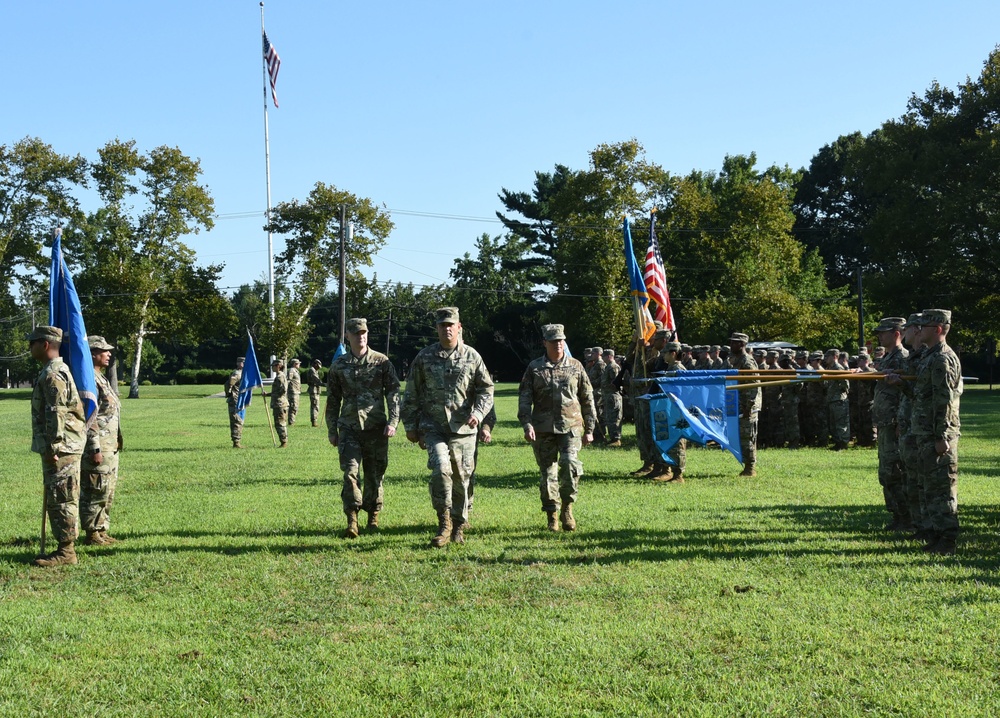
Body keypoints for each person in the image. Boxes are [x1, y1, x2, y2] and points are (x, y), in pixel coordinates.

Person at [401, 307, 494, 547]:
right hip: (433, 427)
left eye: (451, 324)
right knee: (441, 471)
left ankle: (459, 525)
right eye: (443, 325)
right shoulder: (424, 357)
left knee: (462, 477)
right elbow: (411, 392)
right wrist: (411, 425)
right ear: (437, 329)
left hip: (464, 428)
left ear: (459, 327)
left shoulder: (472, 356)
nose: (447, 329)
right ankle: (444, 523)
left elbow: (486, 388)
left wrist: (478, 412)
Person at [326, 318, 401, 538]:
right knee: (350, 473)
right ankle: (352, 519)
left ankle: (373, 517)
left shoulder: (382, 362)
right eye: (356, 333)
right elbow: (332, 401)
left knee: (375, 474)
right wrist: (332, 430)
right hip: (349, 428)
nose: (361, 336)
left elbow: (394, 393)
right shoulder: (339, 365)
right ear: (347, 336)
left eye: (364, 333)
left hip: (376, 427)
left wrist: (393, 421)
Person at [518, 324, 596, 531]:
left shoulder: (576, 366)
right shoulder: (534, 368)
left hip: (571, 427)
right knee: (547, 474)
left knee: (571, 465)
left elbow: (587, 398)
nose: (558, 344)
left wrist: (590, 429)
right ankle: (552, 513)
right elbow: (525, 399)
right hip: (543, 428)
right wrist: (527, 425)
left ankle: (567, 509)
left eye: (561, 340)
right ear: (545, 343)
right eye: (554, 341)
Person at [28, 326, 86, 567]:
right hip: (62, 446)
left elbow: (57, 413)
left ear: (44, 345)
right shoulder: (51, 371)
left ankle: (66, 552)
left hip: (62, 448)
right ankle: (64, 547)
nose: (29, 348)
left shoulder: (54, 374)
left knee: (62, 497)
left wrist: (53, 447)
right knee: (58, 496)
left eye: (32, 343)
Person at [910, 309, 962, 555]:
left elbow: (945, 401)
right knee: (931, 486)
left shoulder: (942, 358)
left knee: (942, 488)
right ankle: (937, 535)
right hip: (926, 432)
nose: (920, 330)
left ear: (938, 329)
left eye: (925, 326)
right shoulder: (930, 356)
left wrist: (942, 436)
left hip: (938, 435)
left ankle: (947, 540)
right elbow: (924, 396)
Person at [80, 336, 123, 546]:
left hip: (110, 446)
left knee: (107, 489)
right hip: (98, 447)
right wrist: (94, 447)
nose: (108, 354)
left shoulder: (101, 378)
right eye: (104, 351)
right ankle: (92, 532)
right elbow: (90, 418)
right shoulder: (89, 381)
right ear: (93, 353)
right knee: (95, 489)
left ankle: (102, 529)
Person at [872, 317, 910, 531]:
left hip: (895, 423)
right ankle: (897, 515)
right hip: (885, 423)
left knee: (895, 471)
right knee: (886, 473)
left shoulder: (902, 358)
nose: (879, 335)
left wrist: (900, 422)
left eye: (883, 332)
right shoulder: (887, 358)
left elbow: (907, 393)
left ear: (897, 333)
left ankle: (906, 518)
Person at [648, 341, 687, 482]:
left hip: (676, 412)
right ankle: (668, 469)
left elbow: (682, 392)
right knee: (669, 441)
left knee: (678, 443)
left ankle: (678, 474)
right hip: (668, 410)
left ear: (673, 353)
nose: (663, 355)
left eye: (665, 352)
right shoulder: (670, 368)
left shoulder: (679, 369)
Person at [728, 332, 760, 476]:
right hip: (738, 405)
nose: (731, 345)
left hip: (748, 406)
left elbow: (753, 386)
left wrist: (749, 407)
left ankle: (750, 468)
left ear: (742, 344)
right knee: (741, 436)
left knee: (748, 437)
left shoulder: (747, 362)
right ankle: (747, 465)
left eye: (734, 342)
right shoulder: (735, 360)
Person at [824, 348, 850, 451]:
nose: (826, 359)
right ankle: (837, 443)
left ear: (834, 357)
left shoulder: (838, 368)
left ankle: (843, 444)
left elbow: (845, 383)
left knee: (841, 423)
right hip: (832, 399)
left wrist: (841, 393)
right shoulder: (830, 368)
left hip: (839, 399)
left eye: (828, 356)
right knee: (834, 423)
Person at [601, 348, 622, 446]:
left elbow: (616, 382)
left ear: (609, 356)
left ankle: (616, 439)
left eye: (604, 356)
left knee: (614, 417)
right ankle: (612, 438)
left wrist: (608, 386)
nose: (602, 358)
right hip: (608, 396)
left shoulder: (613, 367)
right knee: (609, 417)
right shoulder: (608, 367)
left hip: (613, 396)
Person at [268, 359, 289, 447]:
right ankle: (283, 441)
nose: (272, 368)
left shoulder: (280, 376)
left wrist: (275, 395)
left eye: (273, 366)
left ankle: (283, 442)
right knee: (279, 423)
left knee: (280, 423)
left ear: (278, 366)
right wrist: (269, 394)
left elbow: (283, 390)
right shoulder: (279, 376)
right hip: (279, 403)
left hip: (280, 404)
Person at [224, 356, 245, 448]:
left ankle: (237, 441)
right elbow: (228, 384)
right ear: (240, 363)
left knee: (239, 421)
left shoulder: (242, 373)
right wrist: (229, 394)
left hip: (240, 400)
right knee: (237, 421)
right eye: (243, 363)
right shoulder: (237, 373)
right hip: (235, 400)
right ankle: (236, 442)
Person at [306, 359, 323, 427]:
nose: (318, 367)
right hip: (313, 390)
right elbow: (316, 380)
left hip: (316, 390)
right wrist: (324, 384)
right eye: (318, 366)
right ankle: (314, 421)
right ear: (315, 364)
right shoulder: (312, 370)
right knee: (315, 406)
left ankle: (315, 420)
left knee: (316, 406)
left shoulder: (315, 370)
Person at [286, 358, 302, 425]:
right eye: (298, 364)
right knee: (293, 406)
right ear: (295, 364)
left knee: (295, 406)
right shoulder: (292, 371)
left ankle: (292, 421)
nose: (299, 365)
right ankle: (291, 422)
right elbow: (288, 380)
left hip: (296, 391)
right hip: (293, 391)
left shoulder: (296, 371)